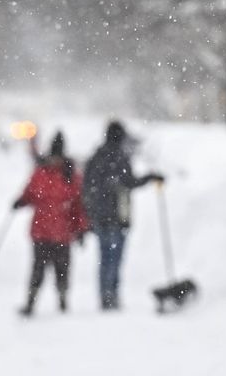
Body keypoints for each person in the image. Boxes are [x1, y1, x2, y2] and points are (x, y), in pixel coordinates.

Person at [81, 121, 164, 311]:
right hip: (119, 216)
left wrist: (90, 213)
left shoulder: (97, 158)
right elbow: (131, 182)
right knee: (115, 258)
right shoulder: (120, 158)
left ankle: (105, 295)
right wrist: (151, 178)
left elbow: (87, 188)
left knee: (104, 257)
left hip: (101, 217)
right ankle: (112, 294)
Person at [13, 132, 88, 317]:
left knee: (62, 271)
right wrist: (20, 201)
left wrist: (81, 229)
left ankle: (62, 301)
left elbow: (79, 205)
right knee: (37, 270)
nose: (56, 160)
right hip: (41, 232)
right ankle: (30, 302)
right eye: (54, 157)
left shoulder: (71, 176)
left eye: (58, 157)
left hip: (63, 233)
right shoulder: (40, 172)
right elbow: (30, 193)